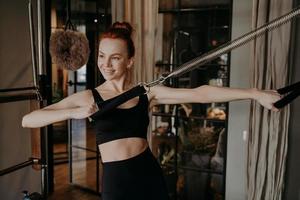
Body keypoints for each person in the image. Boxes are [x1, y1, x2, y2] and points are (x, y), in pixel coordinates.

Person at [22, 21, 281, 200]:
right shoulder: (89, 97)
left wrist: (256, 94)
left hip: (147, 173)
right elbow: (29, 119)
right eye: (101, 56)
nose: (106, 64)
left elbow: (200, 93)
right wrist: (72, 113)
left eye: (115, 57)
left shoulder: (146, 92)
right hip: (116, 182)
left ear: (130, 60)